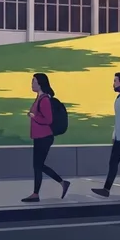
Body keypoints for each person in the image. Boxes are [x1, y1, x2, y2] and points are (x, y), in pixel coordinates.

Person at [21, 73, 71, 203]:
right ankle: (61, 183)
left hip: (44, 137)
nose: (31, 84)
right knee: (38, 165)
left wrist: (34, 116)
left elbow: (48, 120)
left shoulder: (44, 100)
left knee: (38, 166)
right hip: (39, 137)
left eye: (34, 81)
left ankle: (36, 194)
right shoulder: (39, 98)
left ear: (40, 84)